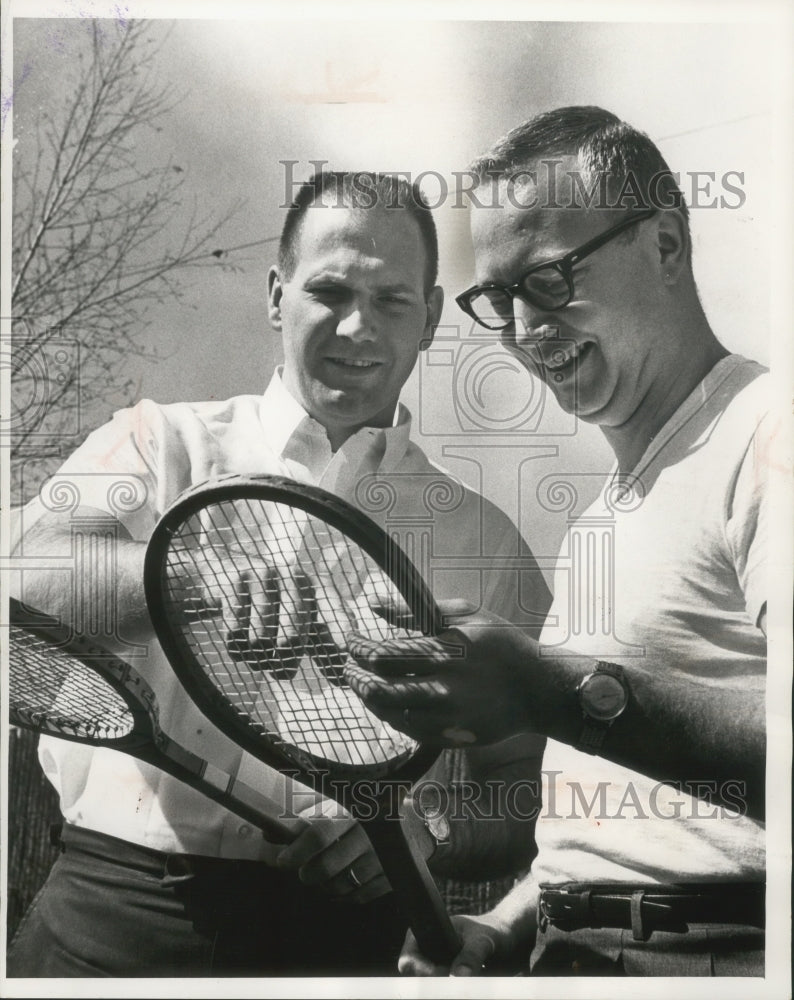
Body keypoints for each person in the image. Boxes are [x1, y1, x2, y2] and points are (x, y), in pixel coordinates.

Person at [7, 171, 551, 977]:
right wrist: (189, 578)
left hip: (350, 946)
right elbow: (24, 584)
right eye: (328, 290)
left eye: (393, 300)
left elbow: (517, 792)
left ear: (432, 317)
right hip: (111, 918)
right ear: (275, 295)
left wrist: (427, 832)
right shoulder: (159, 442)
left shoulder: (489, 541)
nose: (357, 326)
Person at [347, 108, 775, 977]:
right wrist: (505, 926)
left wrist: (555, 693)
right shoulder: (600, 521)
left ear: (664, 245)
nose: (523, 331)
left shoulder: (768, 436)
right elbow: (613, 822)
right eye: (497, 299)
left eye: (548, 278)